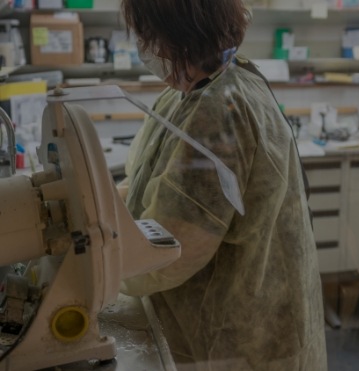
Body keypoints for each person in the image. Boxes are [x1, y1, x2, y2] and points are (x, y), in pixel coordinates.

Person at [118, 1, 328, 370]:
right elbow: (142, 182)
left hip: (239, 339)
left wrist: (104, 267)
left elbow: (174, 248)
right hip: (227, 324)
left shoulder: (219, 110)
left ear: (179, 32)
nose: (144, 46)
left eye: (148, 34)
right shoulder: (190, 90)